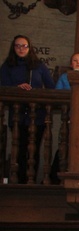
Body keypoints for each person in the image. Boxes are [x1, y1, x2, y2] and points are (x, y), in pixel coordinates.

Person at [0, 35, 55, 184]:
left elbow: (51, 88)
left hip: (37, 115)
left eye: (24, 46)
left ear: (29, 48)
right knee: (20, 148)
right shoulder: (7, 66)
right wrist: (17, 88)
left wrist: (35, 91)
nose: (21, 49)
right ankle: (19, 180)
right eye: (18, 46)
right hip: (17, 115)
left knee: (34, 150)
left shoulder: (38, 66)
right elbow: (2, 86)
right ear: (13, 48)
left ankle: (30, 180)